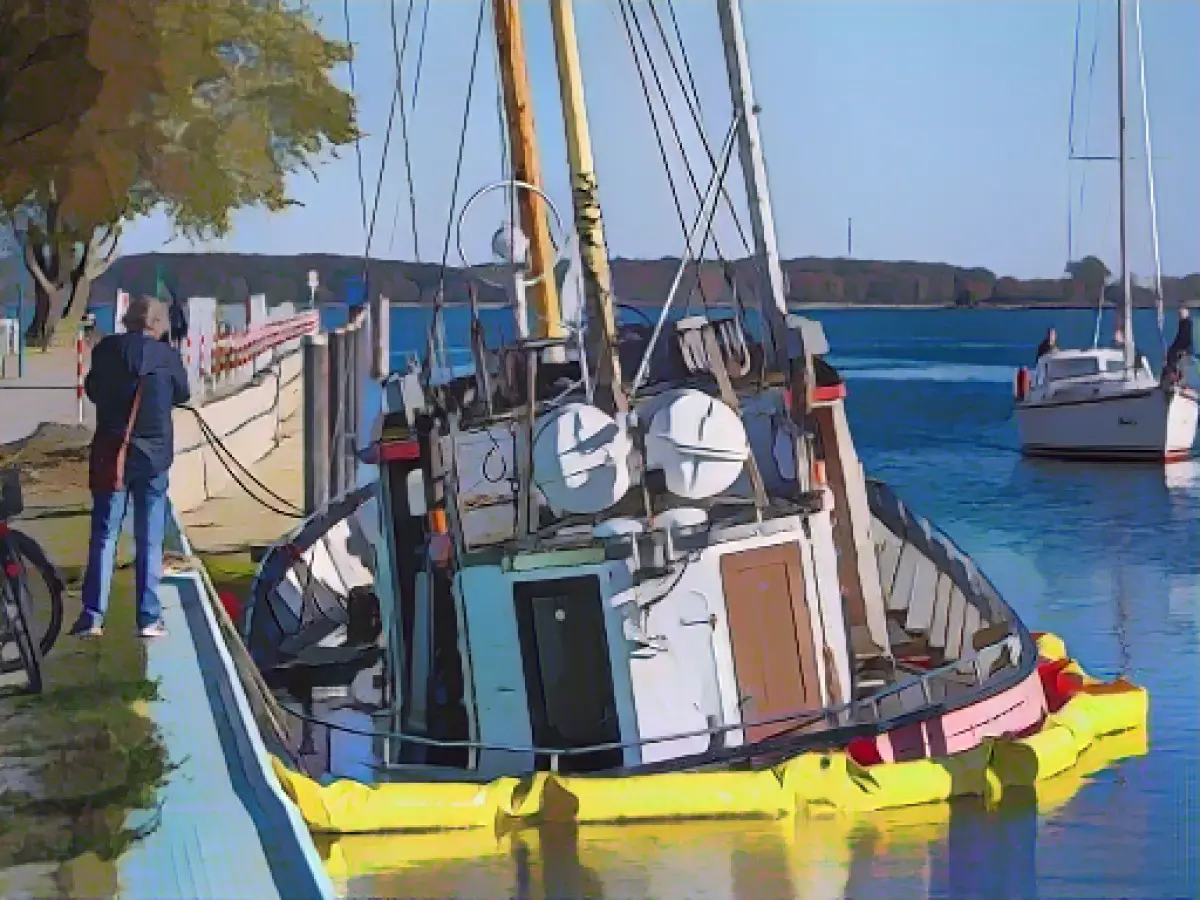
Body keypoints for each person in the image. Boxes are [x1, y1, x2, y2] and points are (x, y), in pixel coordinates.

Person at [70, 296, 190, 639]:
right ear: (158, 324)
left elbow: (92, 391)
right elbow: (183, 394)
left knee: (104, 535)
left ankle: (93, 617)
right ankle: (149, 619)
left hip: (113, 454)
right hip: (154, 458)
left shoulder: (107, 351)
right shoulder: (167, 357)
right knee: (150, 538)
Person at [1162, 307, 1194, 385]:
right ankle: (1173, 376)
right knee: (1172, 355)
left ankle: (1174, 377)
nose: (1178, 316)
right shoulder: (1184, 323)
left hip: (1183, 346)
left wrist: (1181, 348)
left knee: (1172, 355)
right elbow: (1180, 336)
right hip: (1182, 346)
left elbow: (1185, 337)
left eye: (1180, 314)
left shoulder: (1186, 323)